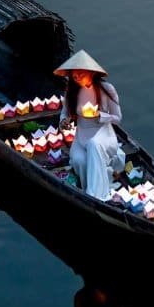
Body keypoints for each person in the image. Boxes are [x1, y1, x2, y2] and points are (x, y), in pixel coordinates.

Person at [55, 50, 126, 201]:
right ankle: (90, 185)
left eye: (81, 73)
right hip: (81, 138)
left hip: (104, 136)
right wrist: (64, 122)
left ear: (91, 72)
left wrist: (100, 115)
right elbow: (64, 114)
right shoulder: (72, 92)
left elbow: (117, 118)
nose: (77, 77)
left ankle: (96, 195)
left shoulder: (106, 90)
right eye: (74, 75)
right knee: (80, 161)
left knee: (94, 145)